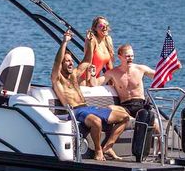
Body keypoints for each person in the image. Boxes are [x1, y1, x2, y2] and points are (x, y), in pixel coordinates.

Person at [52, 29, 130, 161]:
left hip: (88, 108)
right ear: (62, 64)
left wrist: (89, 42)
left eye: (71, 61)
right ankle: (98, 151)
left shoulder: (74, 76)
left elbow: (87, 60)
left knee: (124, 117)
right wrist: (64, 42)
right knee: (96, 121)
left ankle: (108, 147)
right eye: (67, 61)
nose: (71, 63)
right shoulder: (57, 79)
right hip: (75, 111)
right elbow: (56, 63)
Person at [79, 16, 115, 86]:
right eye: (101, 26)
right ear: (95, 28)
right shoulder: (92, 40)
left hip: (95, 79)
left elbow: (109, 66)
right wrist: (88, 83)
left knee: (113, 73)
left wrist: (112, 86)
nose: (104, 27)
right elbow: (88, 62)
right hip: (84, 79)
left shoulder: (108, 40)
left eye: (106, 25)